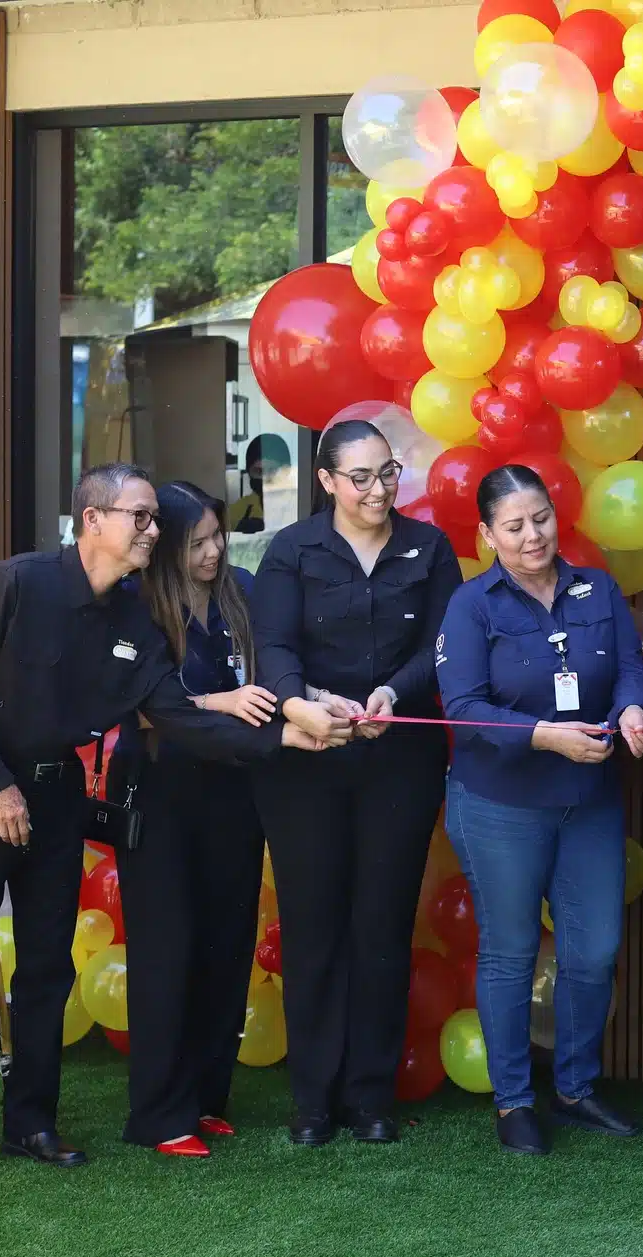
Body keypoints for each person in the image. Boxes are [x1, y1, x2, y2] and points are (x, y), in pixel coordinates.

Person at [0, 463, 334, 1183]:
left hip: (56, 802)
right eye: (139, 517)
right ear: (93, 521)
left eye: (153, 521)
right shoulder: (15, 584)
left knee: (46, 967)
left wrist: (288, 736)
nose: (151, 531)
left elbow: (172, 715)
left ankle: (32, 1121)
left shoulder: (135, 617)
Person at [436, 464, 643, 1156]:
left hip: (588, 799)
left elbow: (631, 666)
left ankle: (576, 1087)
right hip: (501, 804)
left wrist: (630, 709)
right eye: (513, 525)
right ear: (486, 534)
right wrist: (542, 735)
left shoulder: (598, 588)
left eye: (540, 518)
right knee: (509, 952)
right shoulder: (472, 606)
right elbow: (463, 708)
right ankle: (514, 1101)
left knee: (593, 949)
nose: (532, 534)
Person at [250, 420, 461, 1147]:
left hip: (396, 758)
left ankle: (370, 1094)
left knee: (381, 926)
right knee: (313, 928)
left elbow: (442, 644)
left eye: (388, 473)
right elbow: (271, 644)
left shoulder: (428, 549)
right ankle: (312, 1098)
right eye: (362, 477)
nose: (379, 489)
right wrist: (301, 701)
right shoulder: (291, 550)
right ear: (328, 482)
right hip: (307, 758)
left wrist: (391, 695)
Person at [112, 480, 276, 1158]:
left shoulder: (239, 590)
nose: (213, 552)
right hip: (162, 788)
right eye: (198, 541)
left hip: (233, 790)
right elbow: (147, 708)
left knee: (225, 943)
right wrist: (227, 701)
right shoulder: (137, 603)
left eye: (219, 537)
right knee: (167, 948)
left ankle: (207, 1098)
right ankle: (159, 1112)